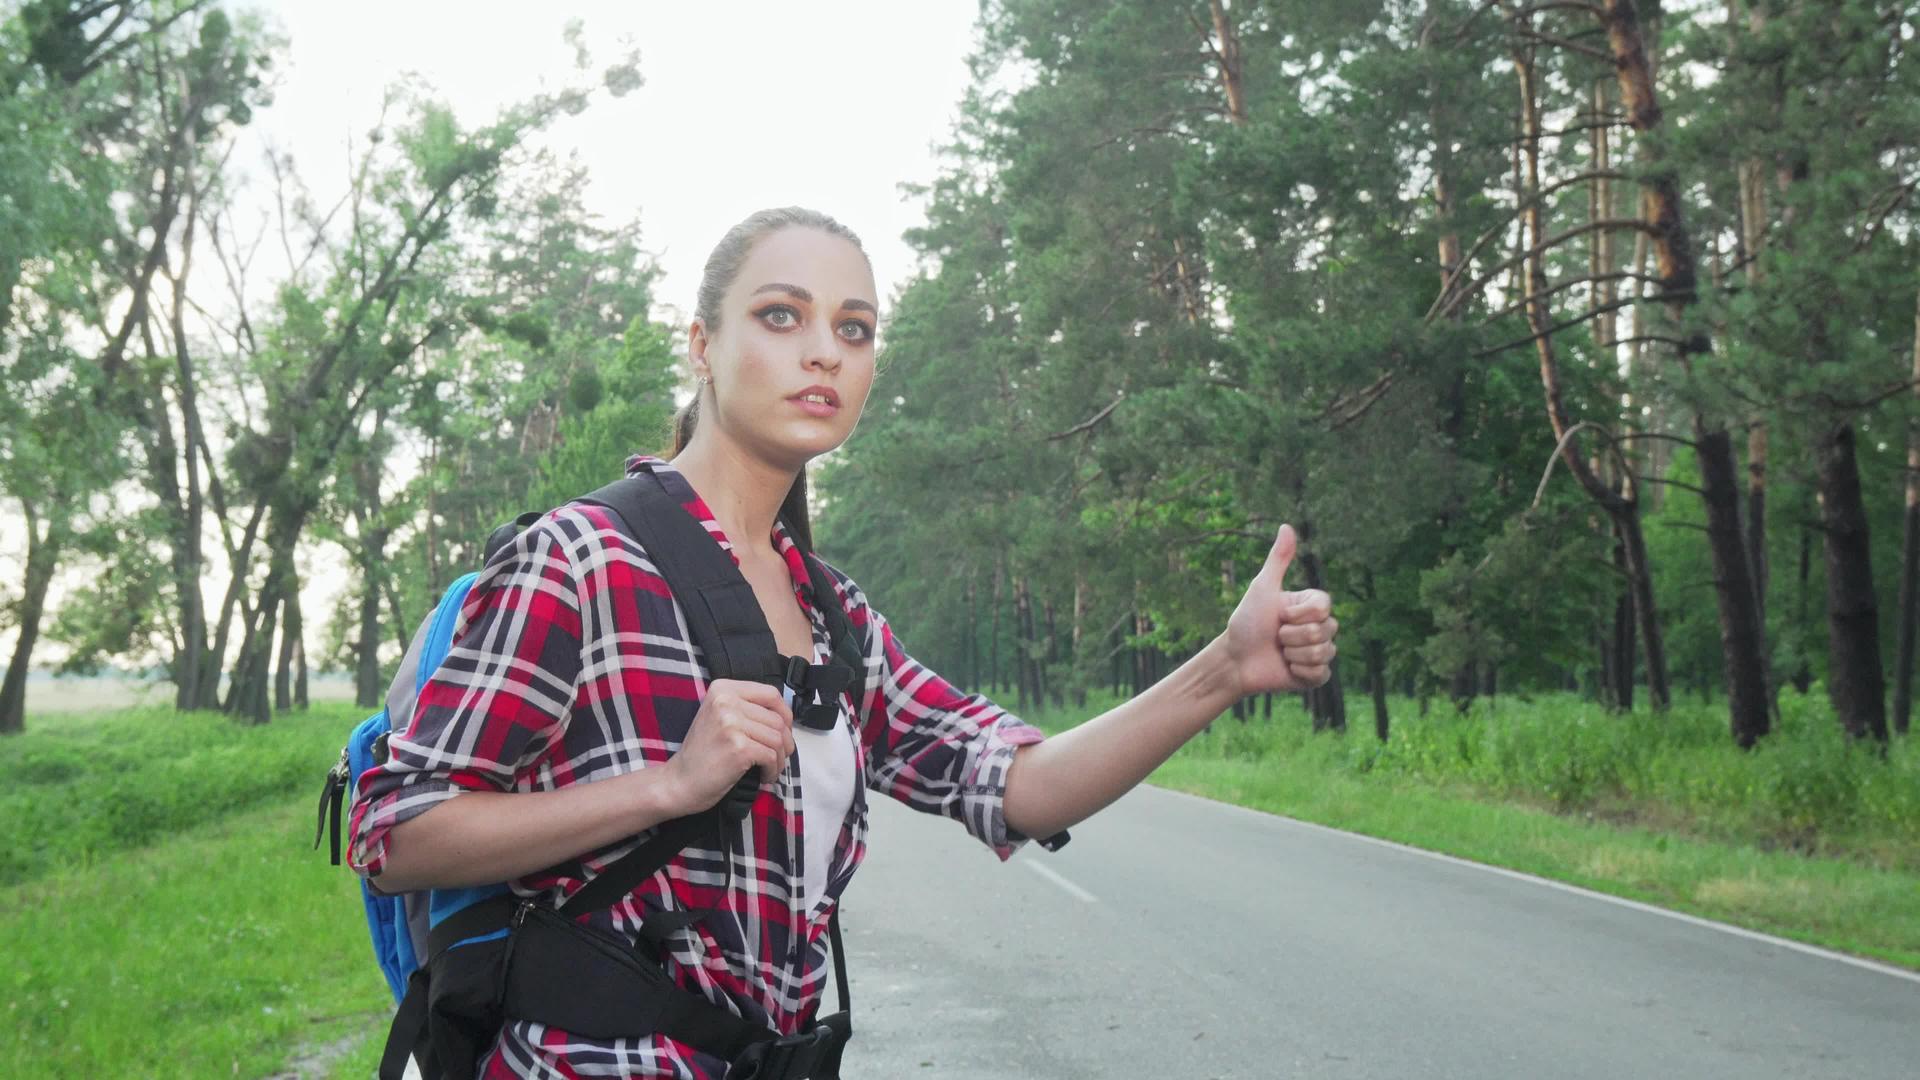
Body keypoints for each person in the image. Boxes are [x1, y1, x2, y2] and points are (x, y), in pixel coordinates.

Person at [348, 206, 1339, 1079]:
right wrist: (669, 785)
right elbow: (392, 834)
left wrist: (1222, 670)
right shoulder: (579, 559)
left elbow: (1018, 786)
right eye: (782, 316)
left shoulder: (835, 616)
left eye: (853, 330)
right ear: (702, 342)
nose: (824, 351)